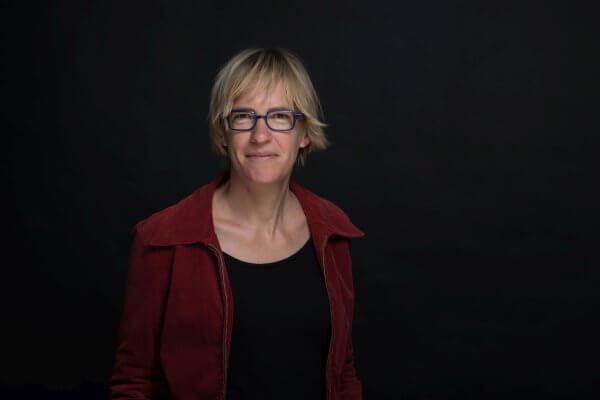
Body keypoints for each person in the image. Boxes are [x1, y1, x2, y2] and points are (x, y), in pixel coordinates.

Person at [111, 47, 364, 400]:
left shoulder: (332, 232)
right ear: (223, 132)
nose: (260, 136)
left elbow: (343, 369)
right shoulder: (162, 240)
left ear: (304, 132)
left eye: (280, 116)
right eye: (243, 117)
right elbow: (134, 381)